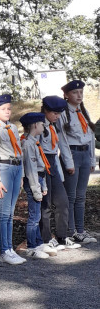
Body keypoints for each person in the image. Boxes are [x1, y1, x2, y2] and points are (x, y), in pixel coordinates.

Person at [0, 94, 26, 266]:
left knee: (11, 212)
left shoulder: (13, 128)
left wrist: (22, 174)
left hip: (16, 168)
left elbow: (20, 152)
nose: (7, 111)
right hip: (4, 169)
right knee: (4, 213)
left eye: (9, 108)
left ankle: (10, 249)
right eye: (3, 109)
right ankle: (4, 251)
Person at [39, 96, 80, 251]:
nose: (57, 116)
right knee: (46, 203)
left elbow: (58, 147)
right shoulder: (39, 125)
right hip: (43, 164)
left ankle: (62, 237)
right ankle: (46, 239)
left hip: (53, 162)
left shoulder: (54, 125)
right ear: (46, 111)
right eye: (54, 113)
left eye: (59, 113)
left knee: (62, 201)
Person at [60, 80, 98, 244]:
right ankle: (70, 231)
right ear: (67, 95)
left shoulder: (83, 112)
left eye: (81, 92)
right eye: (75, 92)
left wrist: (91, 159)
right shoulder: (63, 113)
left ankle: (80, 231)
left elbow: (90, 137)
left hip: (84, 155)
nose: (79, 95)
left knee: (81, 196)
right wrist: (68, 163)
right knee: (71, 196)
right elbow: (62, 140)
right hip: (72, 155)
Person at [20, 112, 54, 259]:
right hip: (33, 181)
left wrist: (44, 185)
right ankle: (31, 246)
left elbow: (42, 168)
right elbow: (31, 170)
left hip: (39, 179)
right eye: (41, 124)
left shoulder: (34, 141)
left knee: (38, 214)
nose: (43, 126)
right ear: (35, 125)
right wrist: (36, 190)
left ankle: (39, 243)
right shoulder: (28, 144)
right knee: (34, 216)